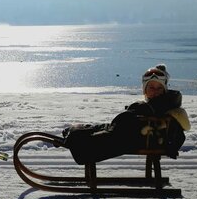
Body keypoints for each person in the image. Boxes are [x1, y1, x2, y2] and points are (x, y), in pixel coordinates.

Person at [62, 64, 190, 164]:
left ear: (164, 90)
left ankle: (75, 135)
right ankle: (77, 132)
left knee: (84, 140)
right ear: (145, 90)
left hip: (139, 139)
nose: (155, 92)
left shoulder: (157, 106)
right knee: (97, 129)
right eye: (151, 87)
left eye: (159, 88)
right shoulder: (158, 104)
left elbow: (123, 124)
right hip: (138, 135)